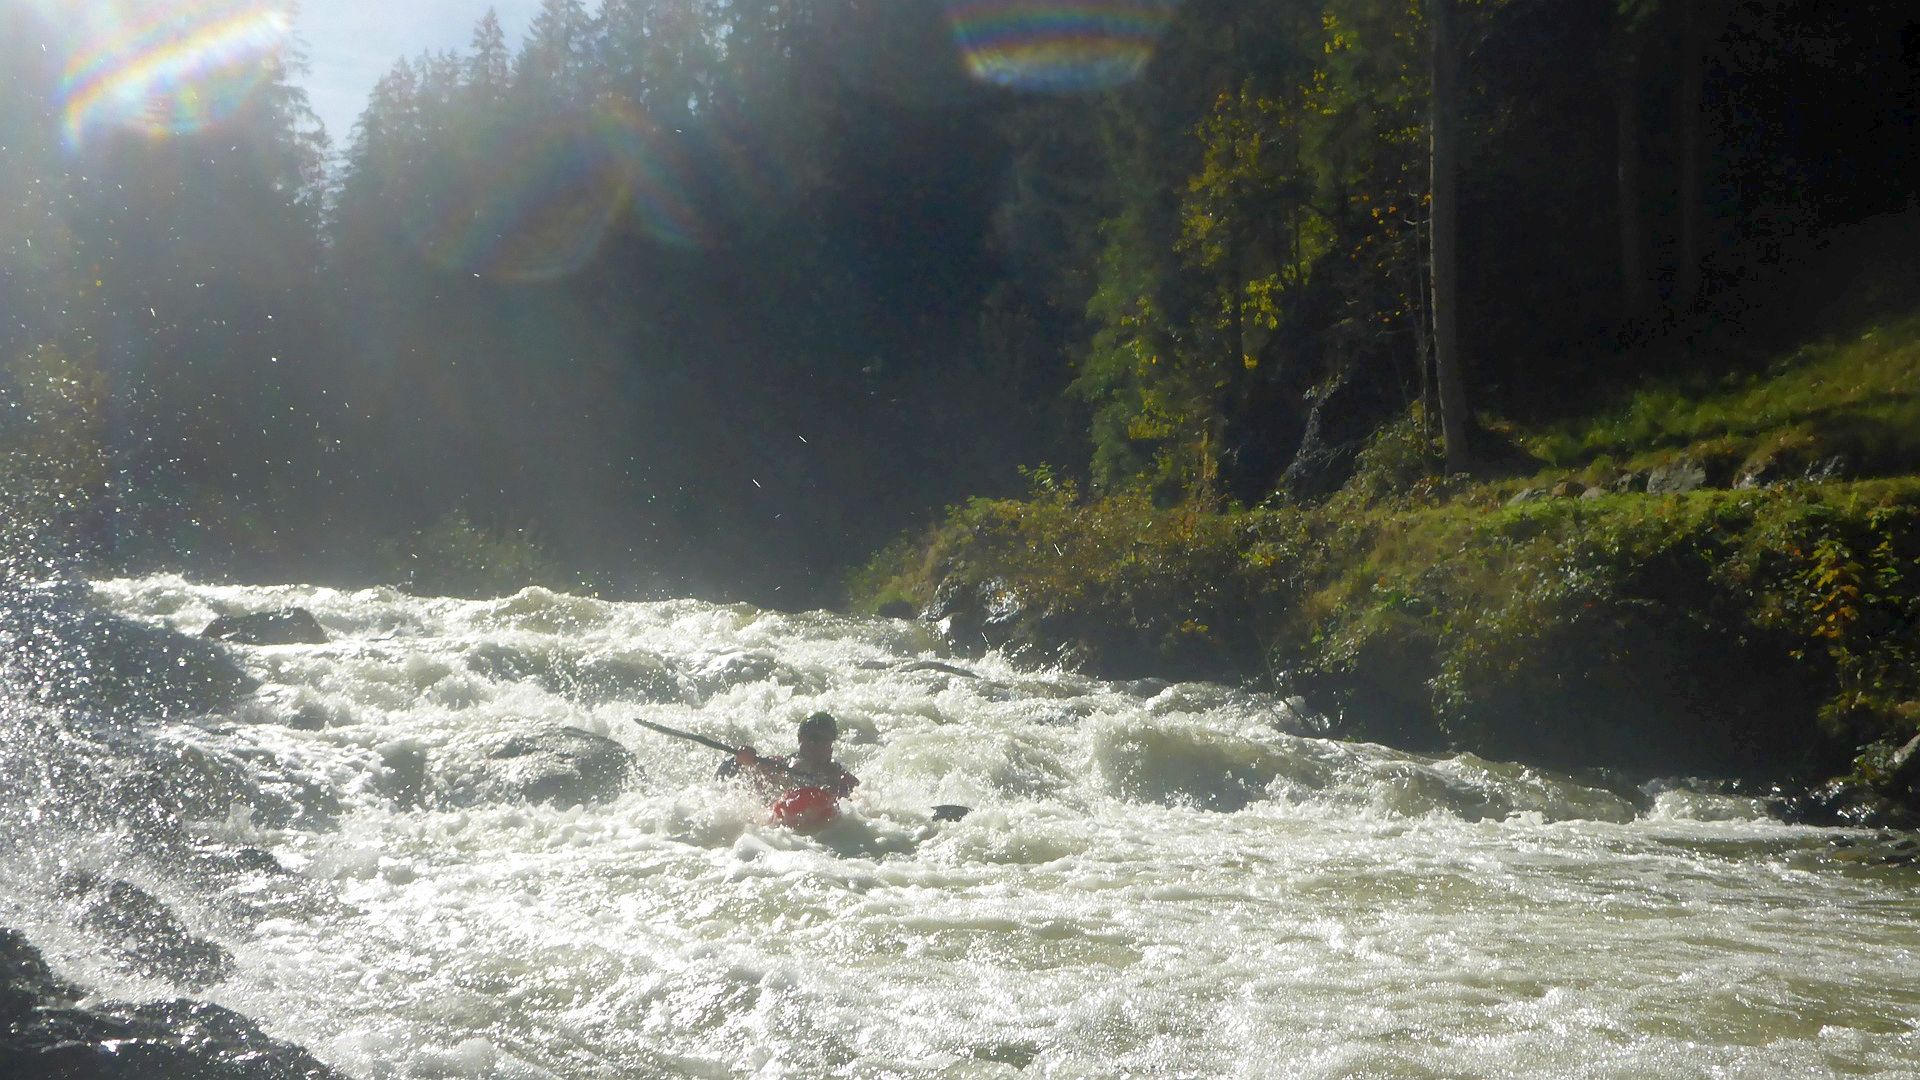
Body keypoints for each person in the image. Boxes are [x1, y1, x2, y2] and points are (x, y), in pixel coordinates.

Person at [719, 712, 859, 798]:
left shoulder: (840, 777)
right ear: (800, 738)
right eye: (813, 738)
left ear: (831, 743)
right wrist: (739, 761)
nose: (819, 745)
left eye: (825, 740)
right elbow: (721, 780)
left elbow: (864, 804)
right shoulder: (778, 765)